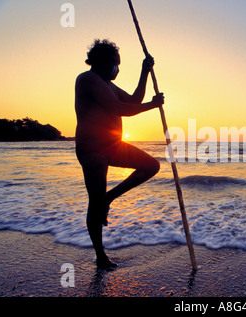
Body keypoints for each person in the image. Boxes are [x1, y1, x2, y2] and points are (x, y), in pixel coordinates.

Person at [75, 39, 164, 269]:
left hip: (113, 145)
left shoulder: (108, 85)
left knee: (151, 166)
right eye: (117, 64)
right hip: (93, 150)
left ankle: (109, 198)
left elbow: (133, 100)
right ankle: (100, 255)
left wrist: (144, 72)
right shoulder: (87, 80)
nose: (118, 69)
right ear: (106, 61)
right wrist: (152, 105)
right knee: (95, 202)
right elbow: (120, 109)